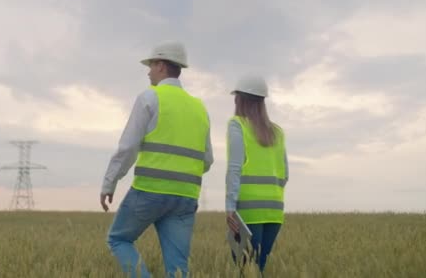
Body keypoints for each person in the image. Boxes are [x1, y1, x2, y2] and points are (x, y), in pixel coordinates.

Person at [100, 41, 214, 278]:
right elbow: (207, 160)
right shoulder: (199, 108)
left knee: (118, 239)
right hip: (186, 196)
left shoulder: (149, 97)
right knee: (179, 268)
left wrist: (109, 182)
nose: (148, 71)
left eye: (151, 65)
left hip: (149, 191)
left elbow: (127, 148)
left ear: (161, 65)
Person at [225, 75, 288, 274]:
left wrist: (229, 206)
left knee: (245, 270)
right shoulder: (278, 132)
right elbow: (285, 174)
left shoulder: (237, 125)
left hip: (248, 210)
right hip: (274, 211)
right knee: (258, 269)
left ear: (240, 99)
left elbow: (234, 169)